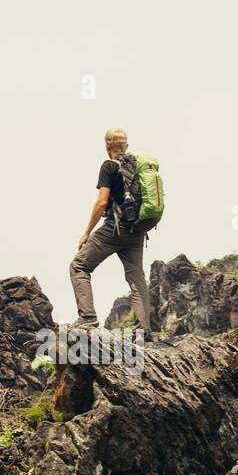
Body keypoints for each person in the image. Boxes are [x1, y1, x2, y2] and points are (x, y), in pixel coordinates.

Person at [69, 127, 158, 333]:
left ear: (107, 146)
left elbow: (101, 203)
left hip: (116, 228)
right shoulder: (136, 165)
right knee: (136, 276)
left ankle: (88, 317)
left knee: (79, 265)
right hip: (137, 229)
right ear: (126, 145)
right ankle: (143, 329)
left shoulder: (109, 166)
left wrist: (86, 232)